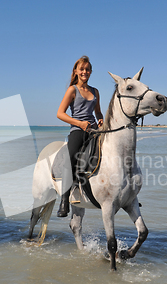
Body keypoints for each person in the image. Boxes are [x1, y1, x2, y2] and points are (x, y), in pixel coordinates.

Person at [55, 56, 104, 217]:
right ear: (76, 71)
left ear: (91, 72)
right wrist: (79, 123)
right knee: (70, 159)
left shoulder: (95, 91)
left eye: (87, 69)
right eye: (82, 69)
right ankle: (64, 200)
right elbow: (60, 114)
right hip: (77, 130)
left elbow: (97, 113)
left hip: (93, 130)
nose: (85, 72)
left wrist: (101, 119)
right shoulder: (72, 90)